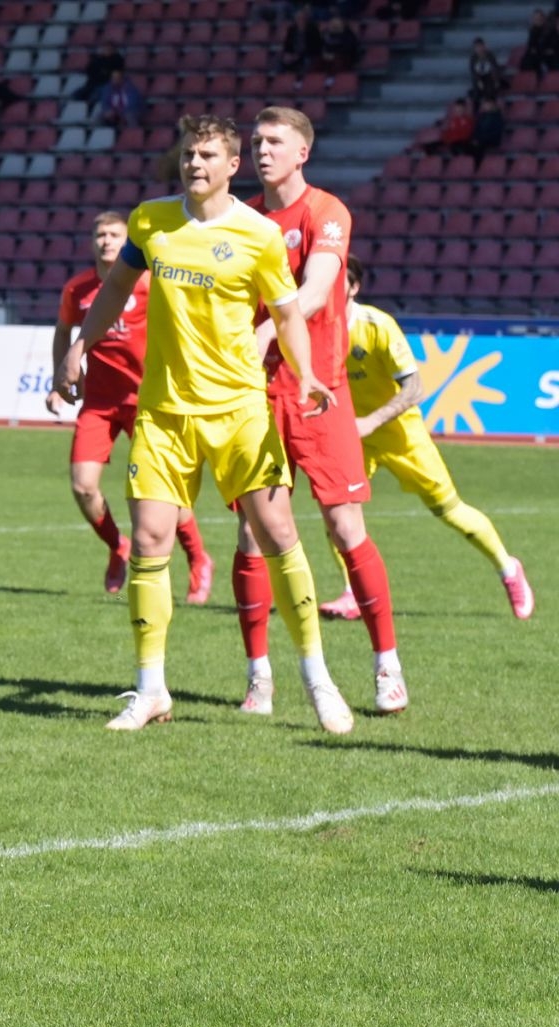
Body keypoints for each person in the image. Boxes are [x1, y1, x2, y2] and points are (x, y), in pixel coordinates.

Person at [57, 113, 354, 735]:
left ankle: (318, 678)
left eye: (208, 155)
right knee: (149, 543)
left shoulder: (258, 235)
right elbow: (114, 290)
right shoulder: (150, 220)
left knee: (278, 533)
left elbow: (287, 314)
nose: (195, 163)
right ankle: (150, 690)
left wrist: (305, 374)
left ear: (232, 165)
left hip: (239, 411)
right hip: (164, 413)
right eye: (189, 154)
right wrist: (79, 345)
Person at [236, 106, 405, 716]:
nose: (262, 150)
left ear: (302, 152)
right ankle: (259, 676)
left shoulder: (327, 212)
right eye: (256, 141)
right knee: (252, 533)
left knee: (343, 527)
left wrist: (270, 331)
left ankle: (386, 664)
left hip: (319, 392)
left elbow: (312, 288)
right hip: (255, 395)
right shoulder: (242, 217)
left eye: (274, 141)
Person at [334, 256, 534, 618]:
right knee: (339, 511)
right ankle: (352, 593)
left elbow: (415, 388)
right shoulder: (316, 327)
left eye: (339, 280)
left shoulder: (378, 326)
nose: (329, 285)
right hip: (353, 436)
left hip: (400, 435)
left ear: (354, 287)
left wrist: (372, 421)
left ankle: (508, 569)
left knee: (449, 510)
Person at [47, 210, 214, 600]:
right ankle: (117, 547)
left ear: (128, 242)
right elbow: (63, 332)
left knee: (162, 492)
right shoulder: (78, 289)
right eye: (100, 235)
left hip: (148, 402)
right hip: (99, 403)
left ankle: (198, 558)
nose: (106, 241)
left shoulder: (151, 282)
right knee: (82, 486)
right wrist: (60, 377)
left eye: (114, 235)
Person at [524, 8, 559, 74]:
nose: (537, 20)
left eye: (539, 18)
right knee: (530, 59)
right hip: (541, 59)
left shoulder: (552, 33)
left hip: (551, 60)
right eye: (535, 19)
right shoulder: (536, 32)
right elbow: (533, 47)